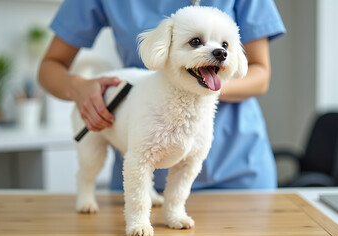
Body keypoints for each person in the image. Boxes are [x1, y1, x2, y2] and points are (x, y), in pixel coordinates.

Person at [38, 0, 286, 191]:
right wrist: (78, 86)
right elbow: (50, 66)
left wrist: (199, 87)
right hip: (144, 168)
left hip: (236, 169)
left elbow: (259, 74)